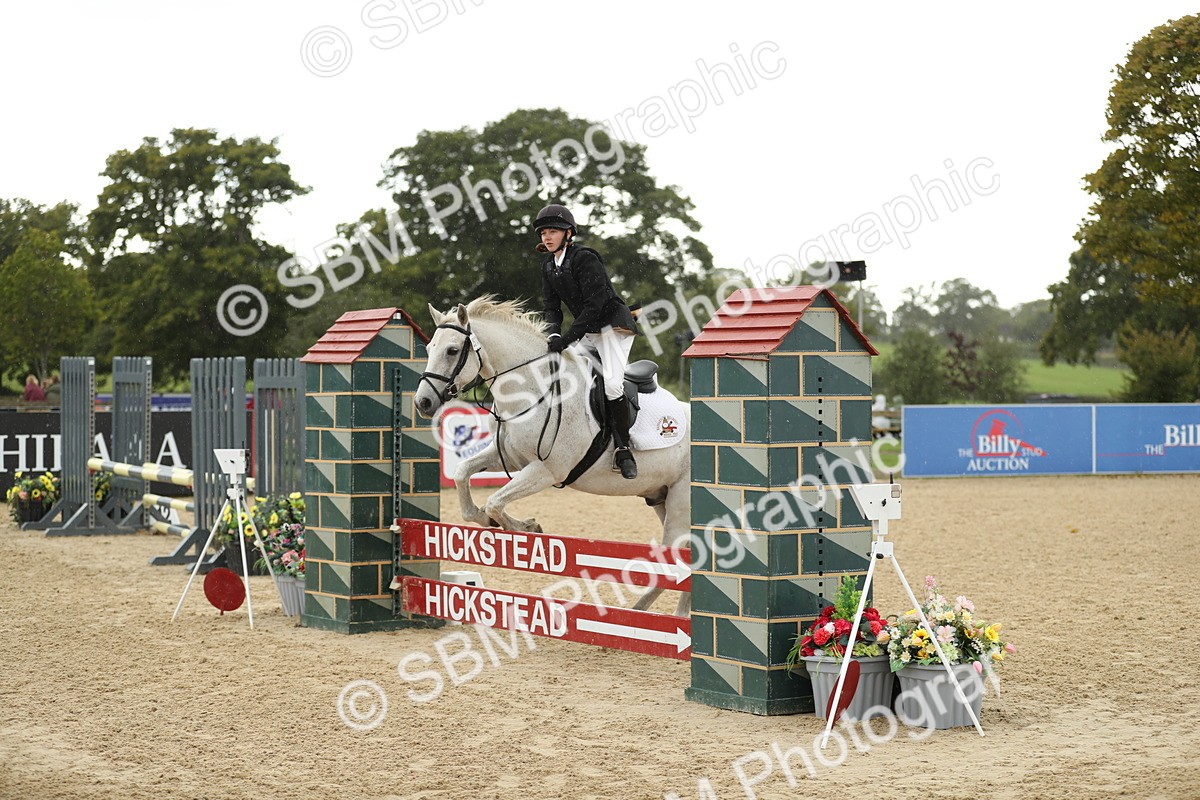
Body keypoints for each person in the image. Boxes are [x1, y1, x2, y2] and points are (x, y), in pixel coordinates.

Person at [535, 203, 641, 479]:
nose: (546, 237)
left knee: (613, 384)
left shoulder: (585, 258)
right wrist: (554, 333)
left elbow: (594, 306)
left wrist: (568, 338)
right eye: (543, 232)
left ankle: (623, 447)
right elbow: (552, 308)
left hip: (613, 327)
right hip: (588, 330)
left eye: (553, 232)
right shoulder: (549, 266)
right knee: (567, 373)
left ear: (568, 233)